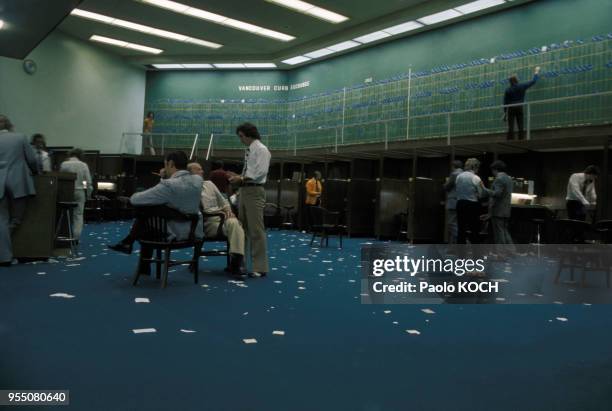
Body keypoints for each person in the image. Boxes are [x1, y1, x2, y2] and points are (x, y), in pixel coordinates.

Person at [108, 152, 203, 272]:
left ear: (171, 164)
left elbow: (136, 199)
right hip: (193, 231)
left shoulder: (168, 185)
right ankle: (130, 245)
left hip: (173, 232)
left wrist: (163, 179)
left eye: (166, 164)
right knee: (151, 212)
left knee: (145, 212)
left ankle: (132, 247)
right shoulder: (198, 180)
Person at [188, 162, 245, 277]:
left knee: (234, 222)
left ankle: (236, 261)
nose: (202, 171)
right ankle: (237, 263)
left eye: (201, 169)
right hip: (208, 222)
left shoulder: (209, 184)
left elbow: (223, 201)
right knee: (235, 225)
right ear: (189, 174)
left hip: (223, 218)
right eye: (198, 170)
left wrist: (228, 211)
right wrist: (220, 212)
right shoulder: (188, 189)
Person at [229, 123, 270, 278]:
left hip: (254, 191)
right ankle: (240, 264)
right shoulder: (250, 150)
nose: (241, 140)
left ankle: (260, 267)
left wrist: (240, 178)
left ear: (248, 135)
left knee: (256, 230)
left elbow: (260, 173)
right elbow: (250, 171)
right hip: (245, 190)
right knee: (242, 229)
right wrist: (238, 178)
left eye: (241, 136)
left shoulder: (261, 150)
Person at [0, 115, 38, 266]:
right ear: (9, 125)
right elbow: (33, 160)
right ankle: (5, 254)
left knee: (1, 220)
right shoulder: (20, 137)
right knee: (16, 219)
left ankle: (4, 256)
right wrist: (35, 172)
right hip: (18, 182)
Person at [60, 149, 92, 242]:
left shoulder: (64, 164)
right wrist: (88, 194)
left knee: (65, 214)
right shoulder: (83, 165)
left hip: (67, 191)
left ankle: (64, 235)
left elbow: (61, 179)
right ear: (80, 155)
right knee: (78, 215)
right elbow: (88, 182)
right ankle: (76, 237)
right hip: (79, 191)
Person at [483, 160, 515, 252]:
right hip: (506, 210)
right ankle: (511, 251)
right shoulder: (509, 179)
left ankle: (501, 254)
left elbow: (497, 194)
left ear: (495, 169)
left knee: (499, 233)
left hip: (498, 210)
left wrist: (485, 189)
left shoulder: (499, 179)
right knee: (505, 231)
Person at [503, 66, 540, 140]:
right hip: (519, 107)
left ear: (510, 82)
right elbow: (533, 82)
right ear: (516, 80)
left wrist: (505, 113)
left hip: (511, 108)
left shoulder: (508, 90)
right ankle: (521, 139)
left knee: (511, 125)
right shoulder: (522, 86)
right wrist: (536, 72)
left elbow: (505, 102)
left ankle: (510, 140)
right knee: (520, 124)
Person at [455, 158, 486, 244]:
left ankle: (461, 255)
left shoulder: (459, 177)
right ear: (475, 167)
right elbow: (481, 194)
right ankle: (476, 255)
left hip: (460, 204)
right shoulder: (476, 178)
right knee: (474, 229)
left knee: (461, 230)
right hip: (472, 205)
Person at [444, 160, 463, 244]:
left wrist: (444, 184)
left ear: (453, 166)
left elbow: (447, 186)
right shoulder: (464, 174)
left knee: (451, 223)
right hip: (462, 201)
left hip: (453, 201)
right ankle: (453, 247)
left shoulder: (454, 174)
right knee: (459, 223)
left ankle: (463, 240)